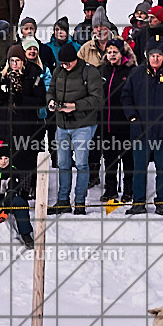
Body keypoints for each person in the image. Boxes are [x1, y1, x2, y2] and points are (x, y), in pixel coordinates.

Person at [123, 47, 163, 216]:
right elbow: (126, 96)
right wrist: (132, 118)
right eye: (152, 56)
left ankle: (161, 202)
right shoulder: (136, 73)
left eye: (159, 55)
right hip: (141, 131)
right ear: (147, 57)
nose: (156, 59)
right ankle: (138, 202)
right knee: (139, 168)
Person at [47, 44, 103, 214]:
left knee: (81, 163)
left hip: (83, 125)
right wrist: (50, 101)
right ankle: (63, 200)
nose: (65, 66)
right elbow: (51, 90)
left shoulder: (90, 72)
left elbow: (97, 99)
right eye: (62, 63)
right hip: (62, 125)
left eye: (68, 63)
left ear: (75, 59)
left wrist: (75, 106)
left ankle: (80, 202)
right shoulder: (58, 71)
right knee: (63, 163)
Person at [0, 45, 47, 194]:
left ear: (23, 61)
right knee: (4, 157)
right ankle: (2, 191)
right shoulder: (2, 77)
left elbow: (41, 100)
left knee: (24, 158)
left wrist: (21, 99)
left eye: (17, 60)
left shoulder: (32, 76)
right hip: (5, 124)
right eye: (12, 60)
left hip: (25, 124)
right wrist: (2, 95)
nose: (14, 64)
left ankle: (24, 189)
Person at [98, 40, 137, 203]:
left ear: (122, 53)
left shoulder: (132, 71)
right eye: (109, 52)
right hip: (107, 124)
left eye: (115, 51)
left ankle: (128, 190)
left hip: (126, 123)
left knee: (128, 159)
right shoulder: (102, 70)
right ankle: (111, 189)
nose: (112, 55)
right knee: (110, 158)